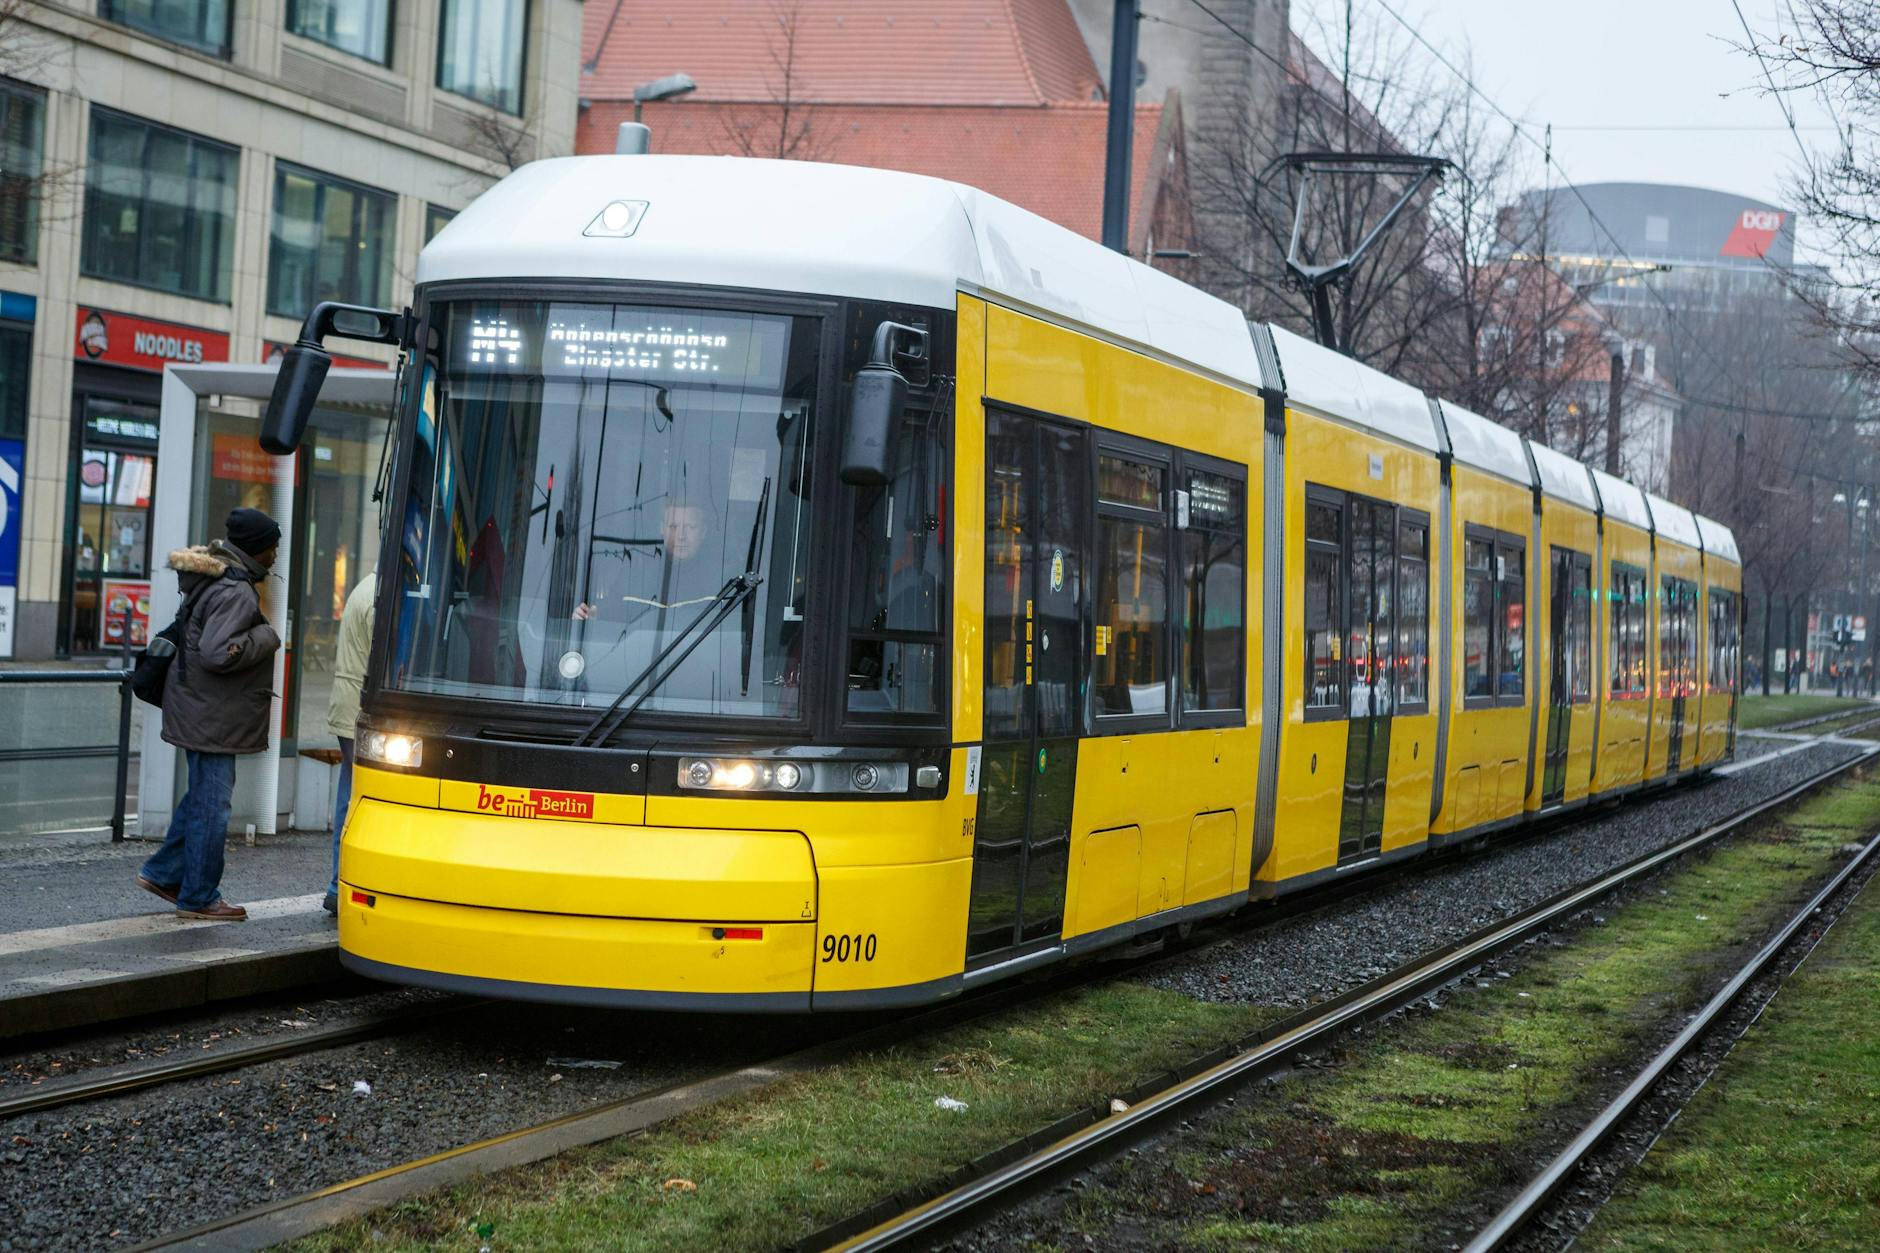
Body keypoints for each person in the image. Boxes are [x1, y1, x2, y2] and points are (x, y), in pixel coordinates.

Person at [136, 508, 283, 921]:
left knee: (202, 799)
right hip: (212, 715)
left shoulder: (216, 577)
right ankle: (199, 896)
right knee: (212, 807)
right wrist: (264, 636)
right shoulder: (235, 590)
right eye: (273, 545)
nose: (275, 554)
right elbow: (220, 653)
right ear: (259, 548)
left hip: (200, 707)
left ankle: (163, 873)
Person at [322, 571, 376, 915]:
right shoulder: (379, 598)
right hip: (359, 706)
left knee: (350, 793)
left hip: (349, 703)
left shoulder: (366, 588)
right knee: (357, 798)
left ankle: (336, 883)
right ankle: (340, 882)